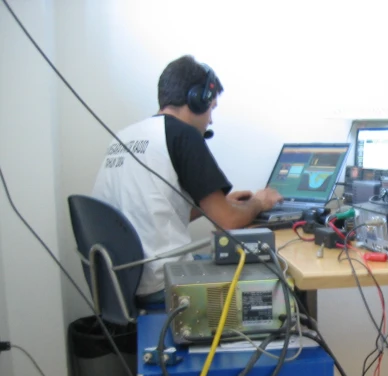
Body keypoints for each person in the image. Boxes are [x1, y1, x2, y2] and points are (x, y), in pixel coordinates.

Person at [92, 55, 282, 301]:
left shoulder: (126, 136)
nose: (211, 120)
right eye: (211, 108)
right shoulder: (183, 135)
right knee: (275, 282)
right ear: (197, 100)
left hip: (122, 282)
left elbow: (151, 211)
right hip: (163, 282)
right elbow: (228, 223)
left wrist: (213, 207)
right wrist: (260, 202)